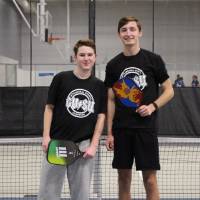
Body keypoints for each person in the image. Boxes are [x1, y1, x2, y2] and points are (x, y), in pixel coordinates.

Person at [104, 16, 174, 200]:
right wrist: (109, 132)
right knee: (123, 179)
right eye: (124, 30)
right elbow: (111, 100)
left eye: (132, 29)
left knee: (150, 180)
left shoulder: (153, 60)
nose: (129, 33)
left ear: (139, 32)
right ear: (119, 34)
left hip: (146, 129)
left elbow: (169, 90)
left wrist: (153, 106)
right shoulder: (113, 65)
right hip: (121, 130)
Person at [37, 39, 107, 200]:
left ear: (95, 57)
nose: (86, 58)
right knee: (48, 193)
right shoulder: (61, 79)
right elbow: (49, 108)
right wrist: (46, 137)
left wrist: (93, 145)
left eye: (90, 55)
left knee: (81, 195)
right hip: (57, 144)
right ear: (75, 57)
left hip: (83, 147)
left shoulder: (99, 86)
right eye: (82, 55)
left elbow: (101, 116)